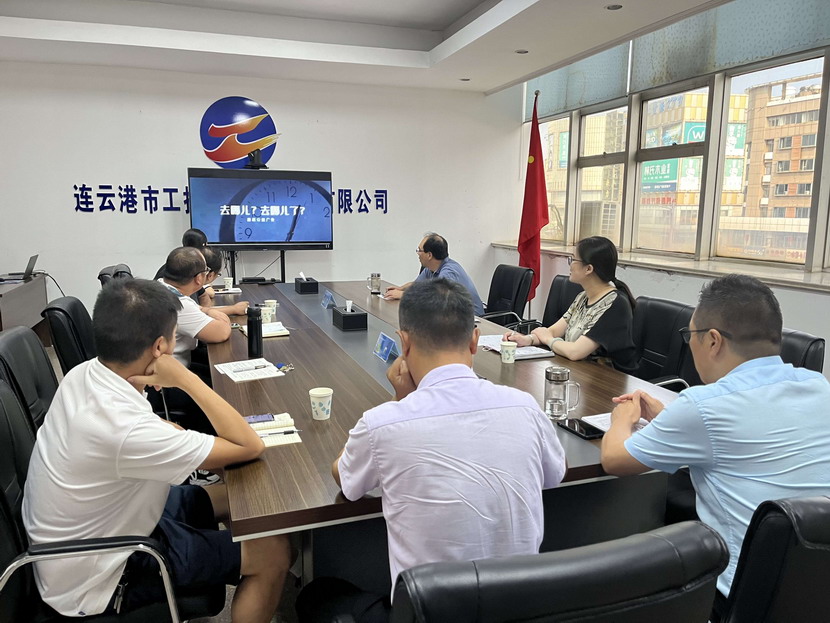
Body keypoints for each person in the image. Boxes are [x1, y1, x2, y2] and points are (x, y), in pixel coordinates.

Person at [296, 279, 566, 623]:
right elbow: (555, 474)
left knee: (316, 595)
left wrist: (399, 402)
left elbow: (345, 478)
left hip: (428, 614)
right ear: (474, 339)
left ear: (404, 342)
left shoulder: (383, 424)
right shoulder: (525, 407)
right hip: (519, 610)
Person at [22, 278, 290, 621]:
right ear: (160, 347)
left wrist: (177, 437)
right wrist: (185, 378)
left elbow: (155, 434)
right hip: (101, 574)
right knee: (275, 552)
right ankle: (251, 569)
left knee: (230, 496)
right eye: (176, 337)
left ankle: (227, 562)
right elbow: (249, 444)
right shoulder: (125, 429)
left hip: (99, 530)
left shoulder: (84, 373)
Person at [600, 274, 830, 601]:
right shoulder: (818, 386)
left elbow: (614, 460)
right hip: (815, 589)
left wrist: (621, 420)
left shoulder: (703, 405)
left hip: (741, 597)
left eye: (689, 335)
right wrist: (669, 419)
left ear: (712, 341)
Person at [503, 236, 637, 371]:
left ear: (588, 269)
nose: (570, 265)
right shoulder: (583, 297)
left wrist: (548, 340)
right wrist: (528, 339)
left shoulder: (615, 304)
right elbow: (553, 331)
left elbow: (575, 352)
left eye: (573, 259)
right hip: (581, 371)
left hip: (608, 378)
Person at [384, 232, 485, 315]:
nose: (418, 254)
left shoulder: (449, 272)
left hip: (472, 319)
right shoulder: (430, 268)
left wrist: (403, 295)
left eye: (419, 250)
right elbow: (416, 285)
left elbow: (437, 298)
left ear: (429, 255)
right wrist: (400, 289)